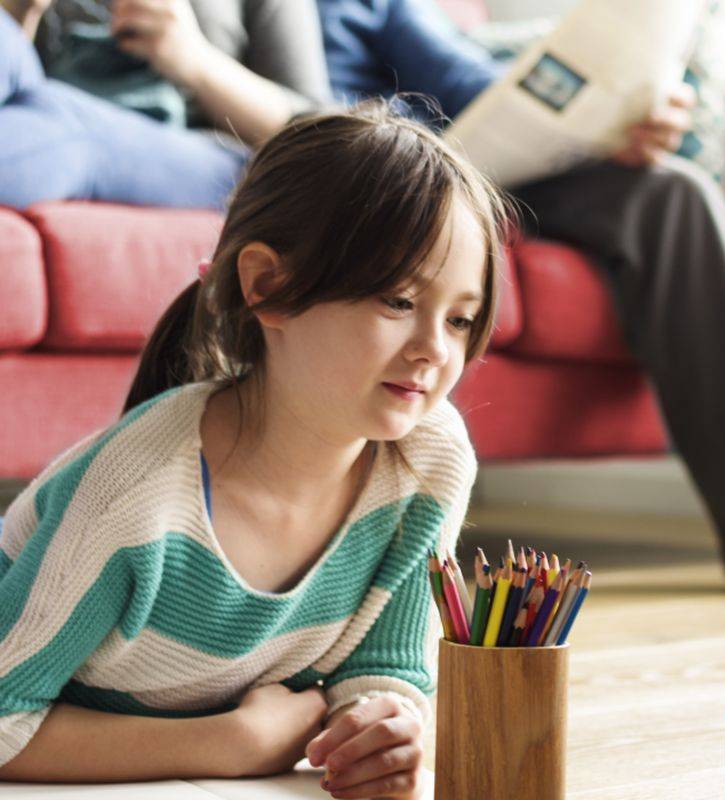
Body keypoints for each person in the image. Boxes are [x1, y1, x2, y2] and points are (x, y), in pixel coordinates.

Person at [316, 0, 725, 590]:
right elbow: (299, 122)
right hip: (358, 174)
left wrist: (604, 129)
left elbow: (468, 81)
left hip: (464, 167)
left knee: (671, 195)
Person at [0, 102, 504, 800]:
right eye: (396, 300)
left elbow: (386, 663)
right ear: (267, 285)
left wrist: (384, 726)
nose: (434, 350)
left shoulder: (429, 462)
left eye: (461, 318)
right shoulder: (134, 495)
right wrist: (227, 745)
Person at [0, 0, 329, 208]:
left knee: (65, 123)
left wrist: (192, 57)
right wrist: (21, 10)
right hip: (43, 112)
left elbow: (321, 136)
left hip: (200, 151)